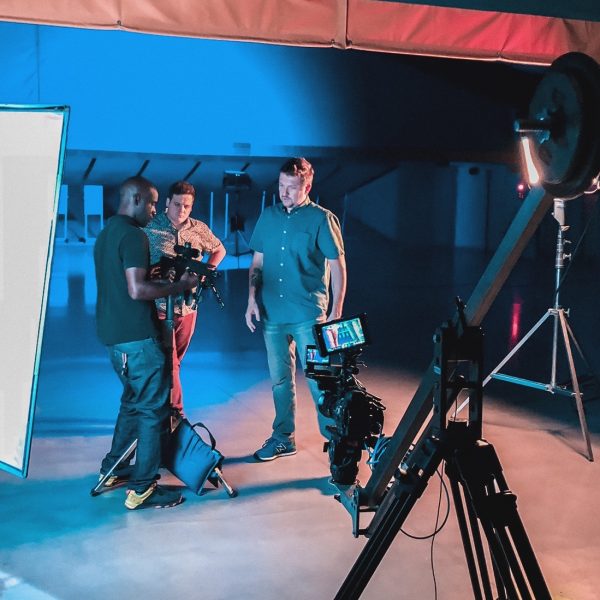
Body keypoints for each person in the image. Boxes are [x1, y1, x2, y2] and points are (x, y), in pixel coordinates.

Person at [94, 176, 198, 510]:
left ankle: (114, 468)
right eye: (152, 203)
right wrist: (179, 285)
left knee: (131, 403)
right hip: (139, 339)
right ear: (136, 199)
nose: (155, 211)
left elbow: (125, 280)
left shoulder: (106, 233)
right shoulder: (134, 235)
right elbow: (137, 291)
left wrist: (153, 277)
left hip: (115, 340)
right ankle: (143, 487)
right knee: (153, 409)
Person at [245, 157, 347, 461]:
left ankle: (337, 447)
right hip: (273, 316)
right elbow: (257, 263)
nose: (284, 192)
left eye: (292, 187)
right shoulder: (268, 217)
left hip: (308, 316)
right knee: (280, 381)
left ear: (308, 186)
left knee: (321, 382)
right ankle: (283, 438)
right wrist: (251, 299)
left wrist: (337, 308)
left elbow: (337, 266)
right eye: (281, 186)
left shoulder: (321, 219)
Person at [145, 181, 226, 416]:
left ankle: (159, 403)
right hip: (159, 306)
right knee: (168, 363)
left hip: (188, 307)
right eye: (177, 204)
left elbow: (219, 249)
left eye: (187, 206)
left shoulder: (199, 228)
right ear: (167, 202)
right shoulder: (150, 227)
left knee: (175, 363)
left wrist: (205, 272)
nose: (181, 210)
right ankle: (176, 413)